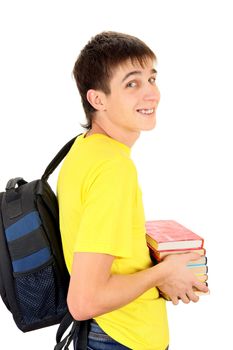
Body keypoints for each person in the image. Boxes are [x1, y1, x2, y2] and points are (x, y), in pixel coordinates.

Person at [57, 31, 209, 350]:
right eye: (132, 84)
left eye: (152, 78)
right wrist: (165, 273)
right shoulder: (113, 168)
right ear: (97, 99)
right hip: (119, 339)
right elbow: (84, 301)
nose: (151, 94)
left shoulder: (83, 150)